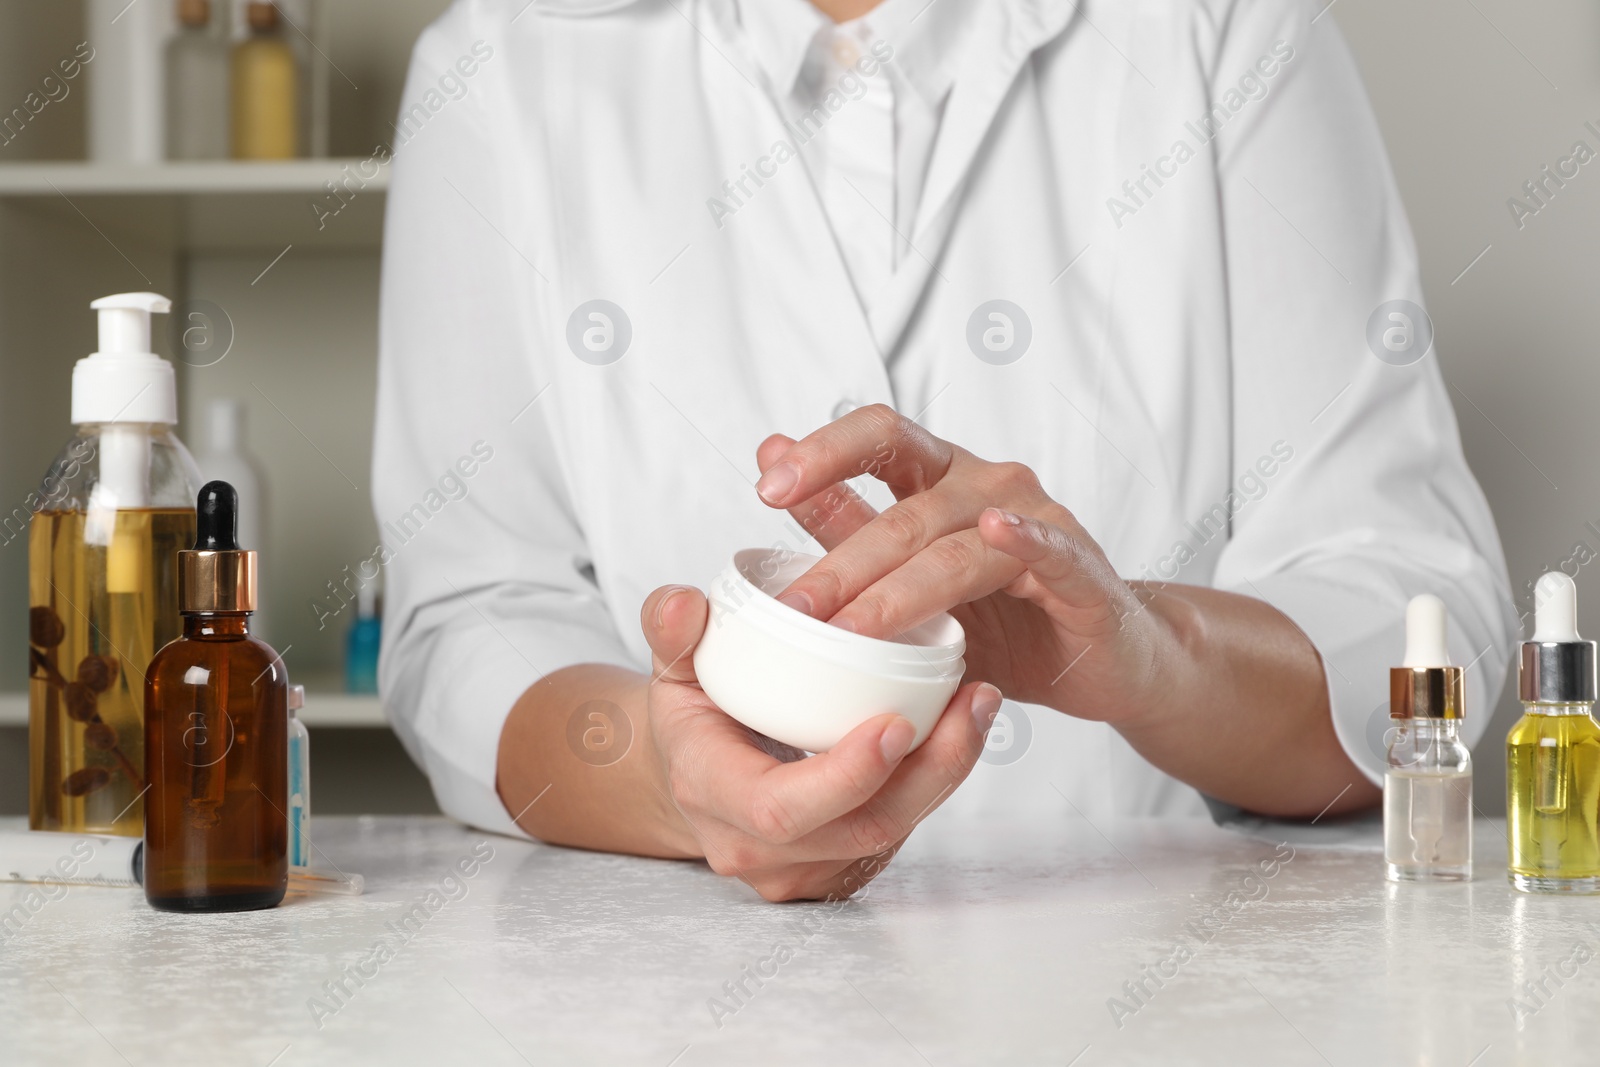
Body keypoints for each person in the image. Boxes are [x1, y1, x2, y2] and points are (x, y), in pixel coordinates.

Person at [372, 0, 1516, 901]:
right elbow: (472, 617)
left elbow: (1411, 619)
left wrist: (1151, 653)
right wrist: (677, 785)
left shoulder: (1218, 25)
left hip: (1156, 987)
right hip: (692, 994)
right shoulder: (504, 60)